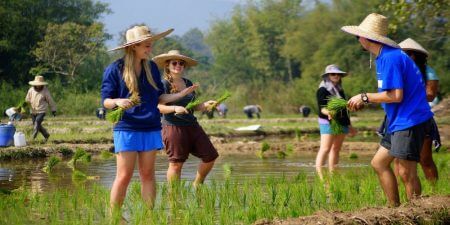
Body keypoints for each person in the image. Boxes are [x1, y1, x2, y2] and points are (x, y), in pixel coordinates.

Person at [101, 27, 197, 211]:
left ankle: (148, 217)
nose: (150, 48)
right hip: (126, 128)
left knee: (148, 175)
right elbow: (105, 101)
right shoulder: (115, 68)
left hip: (151, 127)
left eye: (150, 44)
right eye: (146, 45)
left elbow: (160, 98)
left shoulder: (151, 67)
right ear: (134, 46)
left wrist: (182, 94)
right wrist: (117, 101)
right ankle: (114, 218)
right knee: (124, 175)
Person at [343, 13, 434, 206]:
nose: (358, 39)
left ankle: (415, 212)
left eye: (358, 36)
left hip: (410, 120)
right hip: (398, 120)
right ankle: (394, 209)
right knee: (379, 163)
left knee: (406, 172)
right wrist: (367, 99)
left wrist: (364, 97)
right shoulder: (384, 57)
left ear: (366, 38)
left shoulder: (391, 58)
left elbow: (396, 95)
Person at [153, 50, 219, 186]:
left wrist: (206, 105)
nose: (178, 65)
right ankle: (174, 196)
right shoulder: (163, 84)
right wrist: (174, 108)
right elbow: (158, 106)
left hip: (192, 126)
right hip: (173, 127)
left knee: (210, 156)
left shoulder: (188, 83)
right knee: (176, 164)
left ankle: (197, 184)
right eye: (175, 63)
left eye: (181, 63)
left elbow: (193, 106)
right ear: (167, 65)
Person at [397, 38, 441, 183]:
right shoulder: (399, 70)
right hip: (400, 118)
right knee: (399, 160)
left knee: (425, 159)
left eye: (404, 54)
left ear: (413, 55)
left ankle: (435, 192)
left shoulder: (428, 72)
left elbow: (430, 95)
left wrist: (407, 93)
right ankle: (406, 192)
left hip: (420, 117)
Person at [315, 64, 356, 179]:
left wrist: (350, 125)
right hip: (328, 122)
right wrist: (330, 112)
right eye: (333, 74)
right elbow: (322, 108)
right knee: (325, 148)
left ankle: (334, 174)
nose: (336, 76)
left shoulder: (340, 91)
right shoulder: (322, 90)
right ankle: (321, 175)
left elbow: (345, 109)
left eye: (338, 74)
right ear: (327, 76)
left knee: (336, 149)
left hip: (342, 122)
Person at [25, 75, 57, 142]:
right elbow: (27, 99)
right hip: (33, 111)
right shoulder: (31, 90)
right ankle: (46, 134)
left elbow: (50, 100)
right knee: (36, 124)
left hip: (41, 111)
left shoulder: (45, 91)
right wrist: (24, 106)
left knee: (37, 123)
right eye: (37, 84)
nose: (38, 86)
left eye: (39, 84)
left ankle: (32, 139)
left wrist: (53, 110)